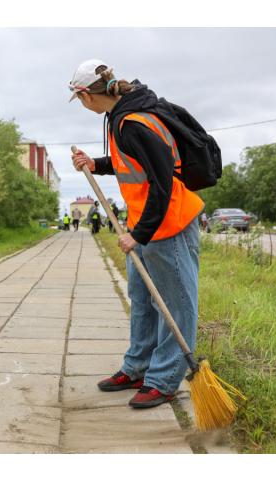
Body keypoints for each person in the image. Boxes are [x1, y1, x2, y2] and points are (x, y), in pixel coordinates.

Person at [69, 59, 204, 408]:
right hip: (146, 223)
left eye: (79, 99)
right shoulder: (120, 118)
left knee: (175, 305)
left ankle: (164, 379)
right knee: (142, 300)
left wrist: (139, 235)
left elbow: (162, 183)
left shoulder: (135, 122)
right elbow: (130, 164)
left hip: (169, 224)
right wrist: (95, 164)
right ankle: (139, 367)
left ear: (85, 95)